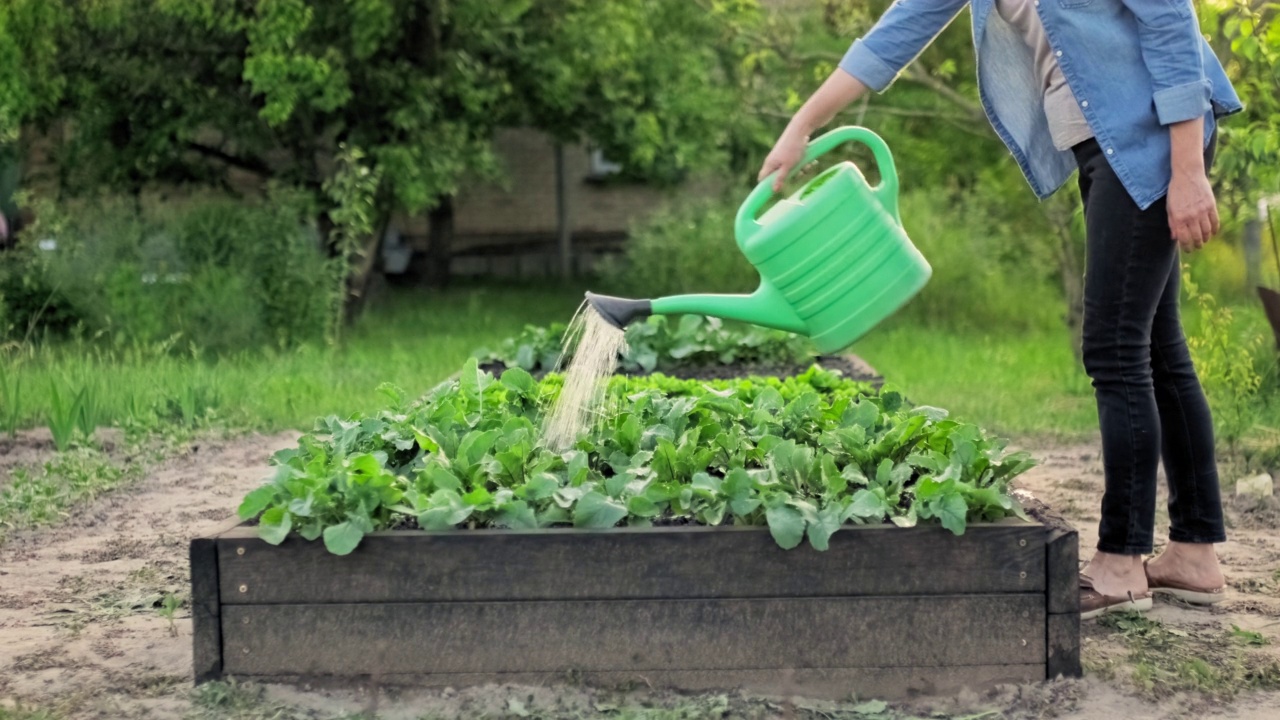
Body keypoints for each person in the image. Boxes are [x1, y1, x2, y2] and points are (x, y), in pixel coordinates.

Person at [760, 0, 1242, 618]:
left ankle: (1122, 563)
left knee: (1115, 347)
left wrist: (1187, 170)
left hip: (1149, 130)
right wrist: (801, 126)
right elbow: (895, 35)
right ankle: (1194, 554)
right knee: (1154, 344)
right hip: (1102, 141)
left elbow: (1171, 19)